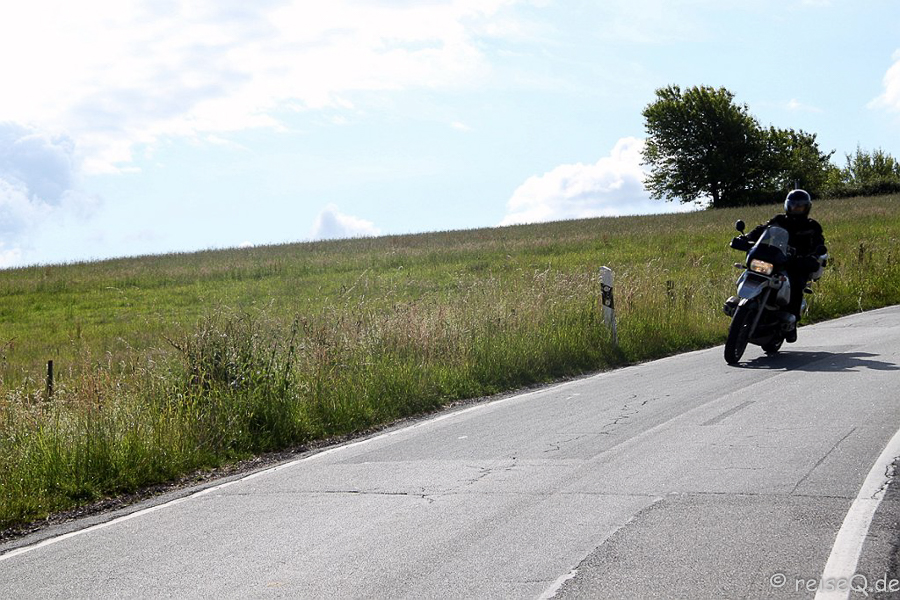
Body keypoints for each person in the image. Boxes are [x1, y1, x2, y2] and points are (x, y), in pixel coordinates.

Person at [746, 189, 826, 343]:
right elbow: (763, 229)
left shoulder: (812, 226)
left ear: (806, 207)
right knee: (755, 271)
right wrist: (746, 238)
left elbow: (819, 243)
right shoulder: (780, 220)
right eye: (794, 205)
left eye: (800, 206)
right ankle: (749, 306)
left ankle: (792, 323)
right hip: (778, 258)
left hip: (798, 263)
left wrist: (815, 255)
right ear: (787, 205)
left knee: (797, 285)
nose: (796, 208)